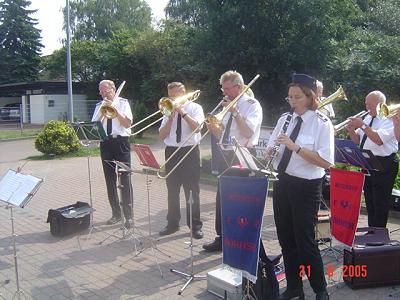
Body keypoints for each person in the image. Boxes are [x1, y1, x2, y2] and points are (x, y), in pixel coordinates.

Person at [267, 74, 333, 300]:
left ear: (310, 97)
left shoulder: (322, 123)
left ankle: (320, 289)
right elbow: (272, 142)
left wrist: (295, 148)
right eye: (290, 97)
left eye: (297, 97)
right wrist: (269, 150)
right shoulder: (285, 118)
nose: (292, 101)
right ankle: (294, 286)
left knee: (305, 240)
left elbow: (326, 161)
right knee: (285, 237)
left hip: (306, 186)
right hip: (282, 182)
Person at [202, 70, 263, 252]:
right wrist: (215, 130)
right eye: (223, 88)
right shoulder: (226, 105)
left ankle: (241, 238)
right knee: (222, 197)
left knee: (241, 199)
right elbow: (225, 135)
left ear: (239, 87)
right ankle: (222, 237)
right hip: (226, 153)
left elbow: (247, 133)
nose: (224, 92)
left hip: (243, 153)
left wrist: (235, 112)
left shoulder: (252, 105)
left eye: (227, 88)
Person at [158, 82, 204, 239]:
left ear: (183, 93)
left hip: (189, 151)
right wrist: (170, 118)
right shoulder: (167, 110)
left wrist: (182, 112)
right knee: (172, 190)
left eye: (175, 95)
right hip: (171, 151)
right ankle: (172, 223)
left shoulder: (195, 108)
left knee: (191, 191)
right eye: (170, 96)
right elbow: (162, 135)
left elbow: (198, 128)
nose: (172, 99)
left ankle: (195, 225)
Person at [346, 91, 398, 228]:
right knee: (370, 200)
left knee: (380, 201)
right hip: (367, 162)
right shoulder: (368, 118)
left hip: (384, 162)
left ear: (380, 104)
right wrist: (351, 130)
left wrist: (362, 125)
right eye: (366, 103)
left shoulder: (388, 119)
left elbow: (379, 140)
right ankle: (371, 231)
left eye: (370, 103)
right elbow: (358, 141)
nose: (366, 106)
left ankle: (379, 234)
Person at [91, 80, 133, 227]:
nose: (104, 95)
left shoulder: (123, 103)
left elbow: (127, 124)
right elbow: (94, 127)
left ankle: (129, 216)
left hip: (120, 142)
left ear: (113, 90)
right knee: (110, 180)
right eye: (101, 92)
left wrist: (115, 110)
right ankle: (116, 214)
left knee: (125, 179)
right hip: (105, 143)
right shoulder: (99, 106)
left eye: (106, 92)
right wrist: (104, 110)